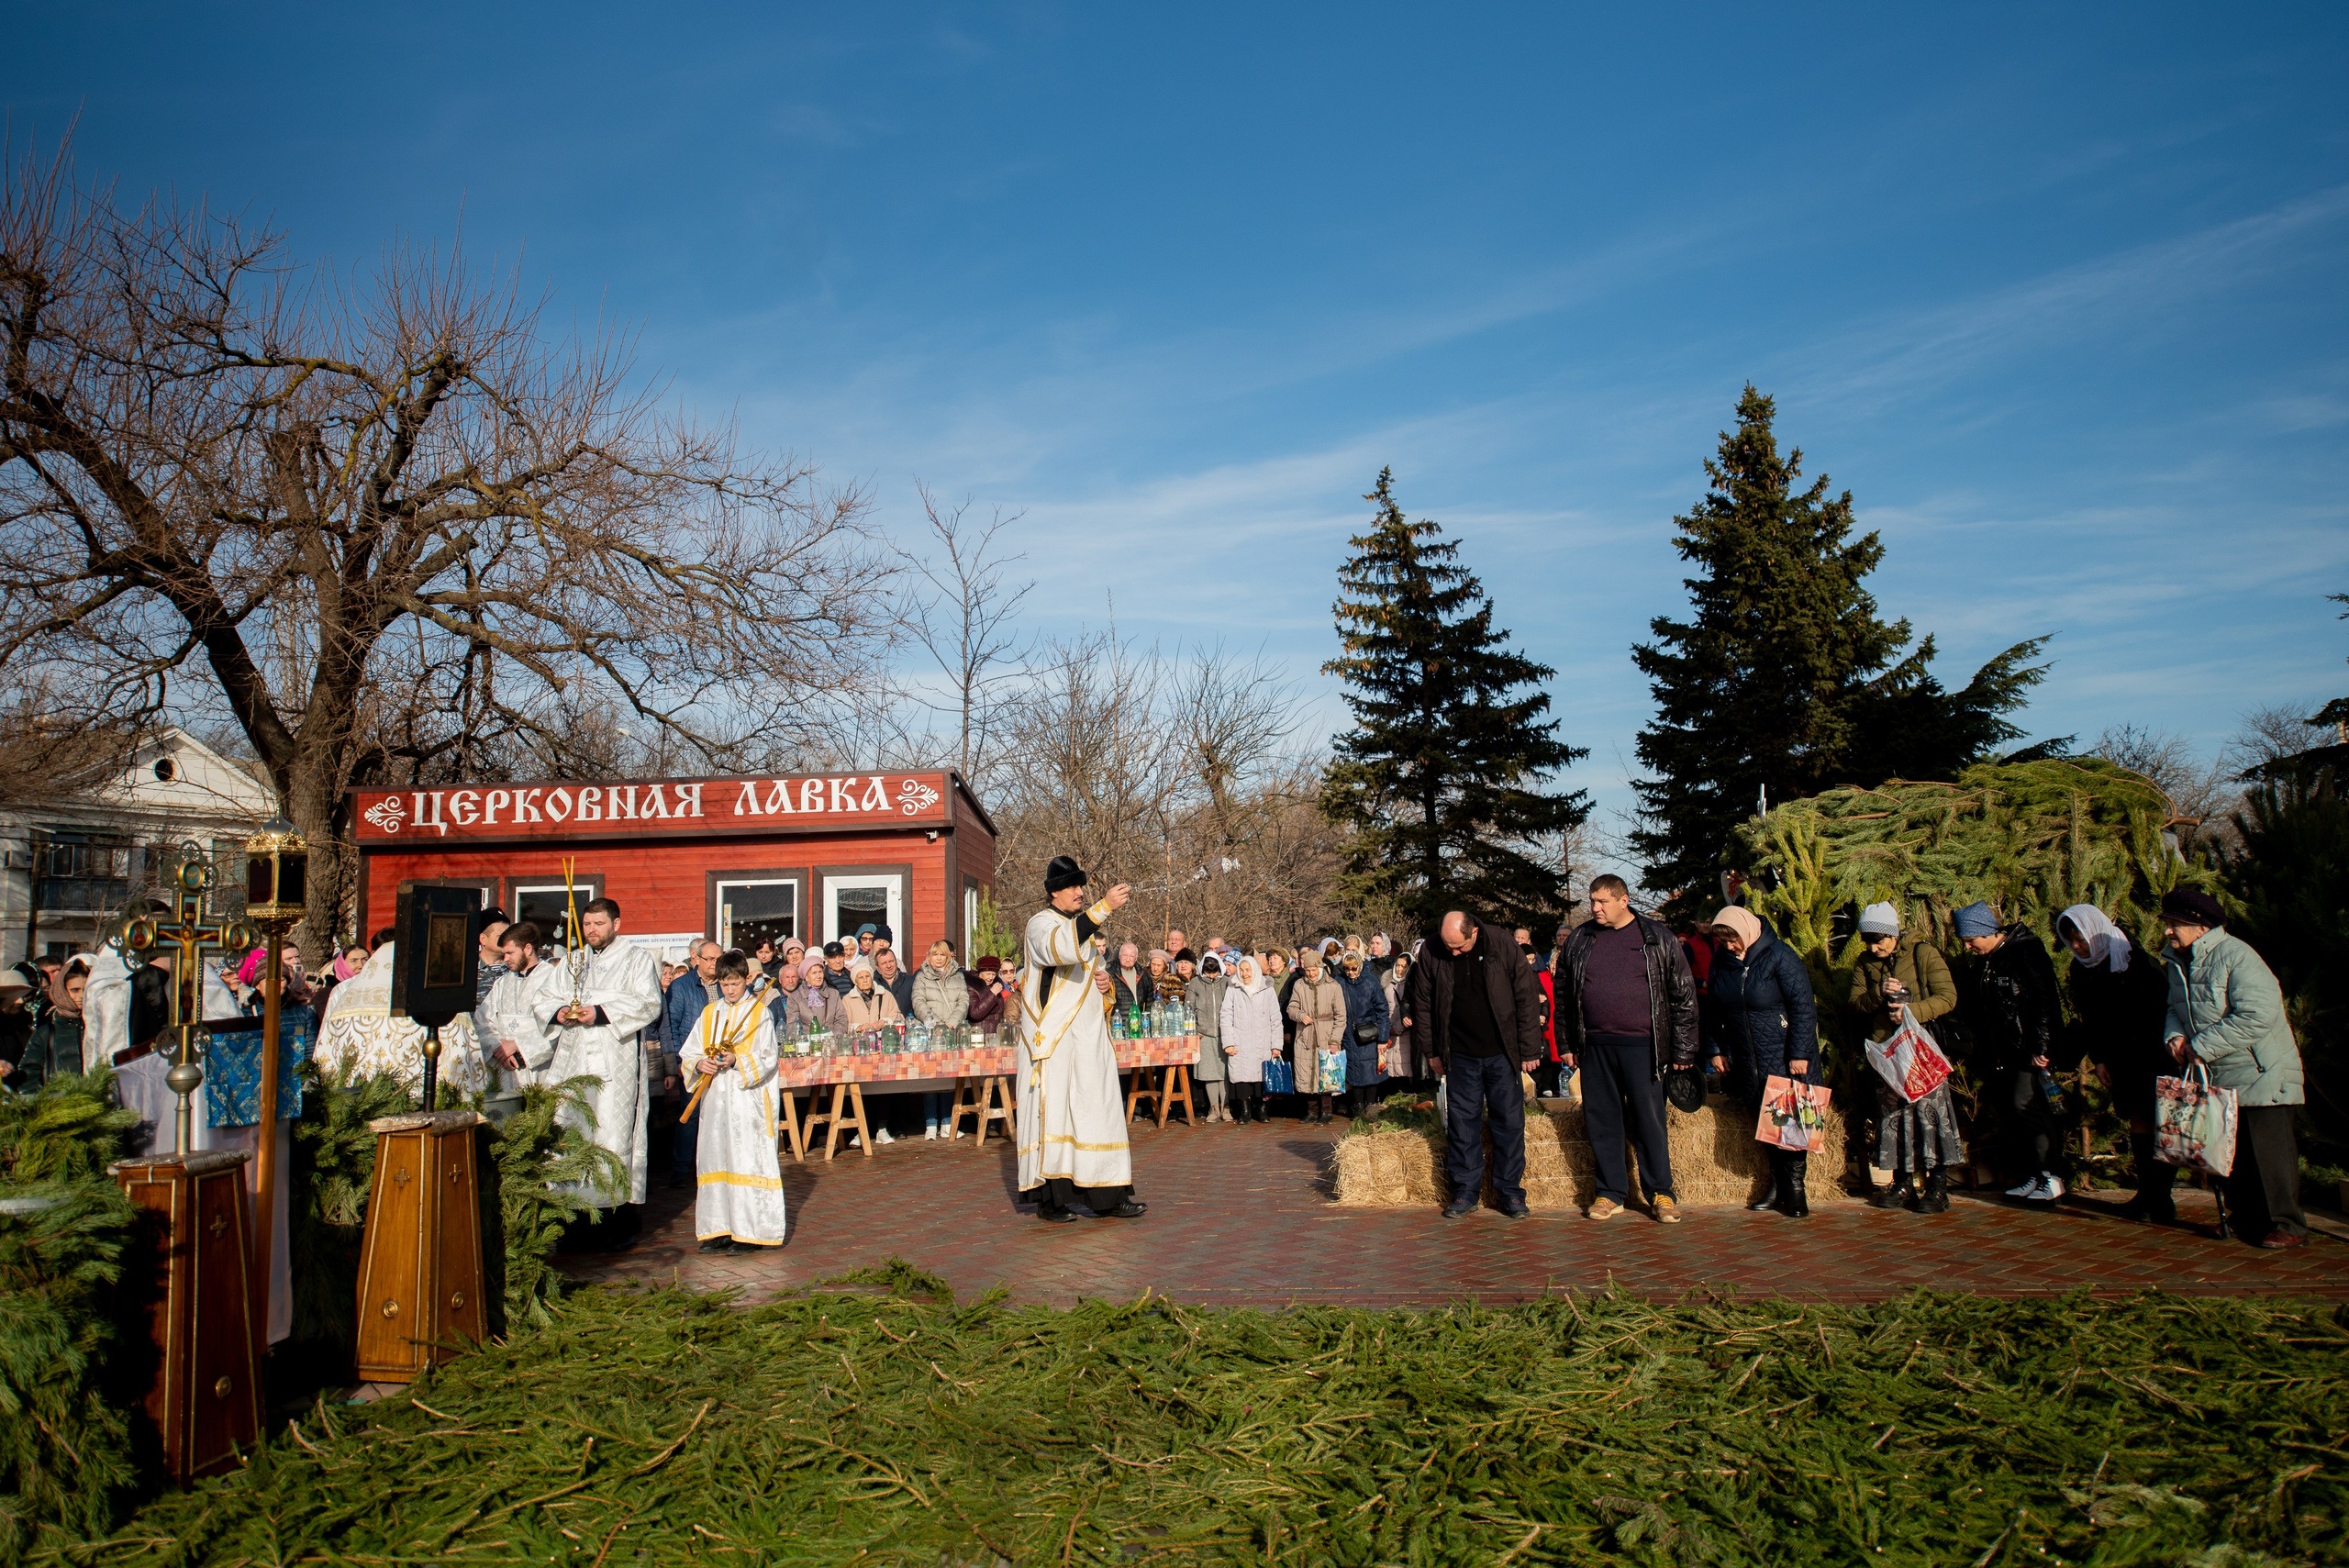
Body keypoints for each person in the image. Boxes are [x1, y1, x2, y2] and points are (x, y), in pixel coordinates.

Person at [2158, 886, 2307, 1249]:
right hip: (2219, 1075)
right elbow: (2174, 1008)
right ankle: (2246, 1220)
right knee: (2230, 1152)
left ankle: (2288, 1226)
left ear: (2200, 926)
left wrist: (2201, 1046)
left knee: (2269, 1156)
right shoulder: (2178, 961)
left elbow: (2258, 1014)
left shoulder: (2238, 956)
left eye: (2174, 923)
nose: (2167, 931)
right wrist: (2174, 1038)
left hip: (2262, 1072)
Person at [1555, 875, 1703, 1223]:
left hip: (1644, 1047)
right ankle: (1610, 1193)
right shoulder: (1580, 939)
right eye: (1592, 901)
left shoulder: (1656, 937)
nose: (1595, 908)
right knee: (1602, 1121)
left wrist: (1683, 1050)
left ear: (1624, 900)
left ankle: (1660, 1193)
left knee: (1649, 1122)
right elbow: (1563, 996)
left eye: (1602, 902)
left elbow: (1683, 996)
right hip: (1595, 1046)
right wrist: (1566, 1043)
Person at [1015, 857, 1146, 1222]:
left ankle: (1109, 1196)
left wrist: (1102, 985)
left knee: (1097, 1114)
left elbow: (1089, 976)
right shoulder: (1040, 924)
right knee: (1056, 1119)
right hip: (1054, 1042)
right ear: (1054, 891)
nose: (1080, 892)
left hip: (1088, 1041)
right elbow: (1061, 949)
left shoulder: (1079, 931)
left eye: (1082, 886)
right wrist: (1103, 907)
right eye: (1073, 887)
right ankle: (1051, 1201)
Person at [532, 897, 664, 1238]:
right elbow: (543, 997)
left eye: (599, 924)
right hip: (573, 1061)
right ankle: (571, 1219)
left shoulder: (636, 959)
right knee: (571, 1129)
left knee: (612, 1133)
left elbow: (648, 1003)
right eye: (587, 925)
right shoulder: (573, 960)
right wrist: (561, 1011)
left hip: (615, 1063)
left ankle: (617, 1223)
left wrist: (601, 1012)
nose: (592, 931)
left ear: (616, 925)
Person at [1411, 911, 1547, 1219]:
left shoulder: (1501, 943)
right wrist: (1432, 1050)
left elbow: (1526, 995)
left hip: (1502, 1052)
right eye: (1448, 946)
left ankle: (1510, 1192)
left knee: (1509, 1123)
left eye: (1458, 947)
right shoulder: (1434, 950)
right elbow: (1423, 1002)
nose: (1453, 952)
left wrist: (1528, 1048)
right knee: (1462, 1124)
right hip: (1459, 1053)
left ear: (1473, 932)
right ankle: (1465, 1191)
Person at [2059, 904, 2173, 1222]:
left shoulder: (2132, 958)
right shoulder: (2081, 968)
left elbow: (2161, 1004)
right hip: (2119, 1055)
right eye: (2072, 942)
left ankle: (2161, 1199)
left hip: (2151, 1053)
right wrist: (2100, 1059)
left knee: (2157, 1120)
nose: (2078, 947)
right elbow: (2090, 1018)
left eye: (2081, 939)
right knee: (2137, 1119)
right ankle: (2147, 1193)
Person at [1846, 902, 1962, 1214]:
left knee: (1930, 1116)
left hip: (1921, 1050)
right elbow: (1855, 1004)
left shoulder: (1923, 954)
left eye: (1879, 939)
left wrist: (1911, 1010)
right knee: (1894, 1117)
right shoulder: (1864, 962)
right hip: (1888, 1051)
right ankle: (1902, 1181)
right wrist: (1878, 995)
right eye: (1868, 940)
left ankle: (1938, 1185)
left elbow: (1948, 996)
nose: (1874, 946)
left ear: (1893, 934)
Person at [1705, 906, 1818, 1218]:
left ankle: (1796, 1188)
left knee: (1791, 1124)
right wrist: (1715, 1048)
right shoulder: (1722, 962)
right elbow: (1713, 1009)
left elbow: (1803, 1007)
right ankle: (1777, 1184)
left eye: (1733, 939)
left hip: (1783, 1054)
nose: (1730, 946)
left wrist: (1799, 1053)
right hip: (1747, 1055)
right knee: (1765, 1124)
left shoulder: (1780, 956)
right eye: (1724, 941)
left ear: (1747, 931)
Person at [1954, 900, 2065, 1203]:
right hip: (2001, 1051)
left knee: (2028, 1107)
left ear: (1986, 931)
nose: (1967, 947)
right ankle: (2031, 1175)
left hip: (2026, 1050)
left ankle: (2050, 1176)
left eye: (1970, 940)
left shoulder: (2025, 951)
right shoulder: (1988, 960)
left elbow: (2044, 1001)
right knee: (2012, 1112)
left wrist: (2041, 1045)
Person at [679, 950, 787, 1255]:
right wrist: (701, 1063)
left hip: (746, 1101)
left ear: (746, 980)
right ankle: (720, 1228)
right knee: (716, 1159)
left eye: (735, 983)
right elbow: (690, 1052)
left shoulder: (759, 1013)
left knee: (745, 1160)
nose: (730, 990)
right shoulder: (710, 1013)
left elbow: (768, 1057)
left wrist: (737, 1059)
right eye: (725, 984)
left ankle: (751, 1232)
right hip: (716, 1102)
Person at [481, 919, 557, 1091]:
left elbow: (558, 1028)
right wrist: (497, 1047)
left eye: (510, 953)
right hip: (502, 1067)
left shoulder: (553, 979)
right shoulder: (502, 983)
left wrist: (518, 1047)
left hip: (538, 1070)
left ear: (527, 949)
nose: (505, 958)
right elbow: (483, 1021)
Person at [912, 940, 971, 1138]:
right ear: (929, 956)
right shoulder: (921, 977)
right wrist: (936, 1023)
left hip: (952, 1031)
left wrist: (952, 1022)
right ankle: (930, 1123)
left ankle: (947, 1121)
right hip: (932, 1033)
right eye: (935, 955)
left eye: (942, 955)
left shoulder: (957, 977)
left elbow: (964, 1001)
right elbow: (918, 1002)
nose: (938, 959)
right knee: (931, 1078)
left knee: (949, 1078)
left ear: (948, 957)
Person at [1286, 945, 1347, 1125]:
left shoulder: (1333, 986)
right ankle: (1312, 1111)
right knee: (1307, 1074)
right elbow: (1291, 1007)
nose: (1310, 974)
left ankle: (1327, 1112)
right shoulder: (1299, 985)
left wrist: (1335, 1039)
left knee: (1326, 1074)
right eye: (1308, 970)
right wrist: (1299, 1015)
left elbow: (1341, 1015)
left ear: (1320, 968)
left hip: (1326, 1035)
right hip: (1305, 1036)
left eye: (1313, 970)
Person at [1219, 954, 1281, 1125]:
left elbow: (1275, 1018)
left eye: (1248, 970)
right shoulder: (1234, 988)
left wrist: (1276, 1045)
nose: (1245, 974)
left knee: (1262, 1078)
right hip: (1240, 1041)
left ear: (1254, 970)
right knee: (1242, 1078)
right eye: (1241, 970)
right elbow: (1226, 1016)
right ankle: (1245, 1112)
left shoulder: (1266, 989)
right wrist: (1229, 1042)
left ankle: (1262, 1110)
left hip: (1263, 1041)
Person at [1333, 948, 1390, 1120]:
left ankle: (1371, 1107)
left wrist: (1383, 1038)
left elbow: (1382, 1010)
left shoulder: (1371, 982)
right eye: (1347, 969)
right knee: (1354, 1072)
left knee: (1370, 1071)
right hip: (1348, 1033)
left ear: (1360, 966)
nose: (1350, 972)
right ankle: (1357, 1107)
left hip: (1368, 1033)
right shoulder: (1339, 982)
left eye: (1353, 968)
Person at [17, 955, 89, 1092]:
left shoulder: (97, 1027)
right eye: (74, 990)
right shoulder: (46, 1032)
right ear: (62, 991)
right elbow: (28, 1073)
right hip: (58, 1107)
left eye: (86, 990)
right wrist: (43, 1103)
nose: (81, 996)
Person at [1186, 953, 1230, 1121]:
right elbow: (1188, 1008)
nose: (1211, 976)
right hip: (1204, 1034)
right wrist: (1195, 1029)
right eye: (1208, 972)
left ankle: (1226, 1106)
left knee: (1225, 1073)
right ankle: (1213, 1107)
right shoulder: (1196, 983)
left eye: (1214, 972)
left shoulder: (1227, 982)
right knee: (1209, 1073)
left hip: (1224, 1033)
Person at [1381, 952, 1414, 1082]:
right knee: (1391, 1073)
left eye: (1404, 967)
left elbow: (1411, 1009)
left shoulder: (1411, 984)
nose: (1399, 969)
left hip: (1406, 1034)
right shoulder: (1387, 983)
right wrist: (1387, 1027)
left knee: (1404, 1072)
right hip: (1389, 1033)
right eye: (1398, 966)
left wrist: (1398, 1027)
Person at [965, 954, 1008, 1035]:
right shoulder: (972, 987)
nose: (991, 978)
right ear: (980, 972)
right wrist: (992, 994)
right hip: (981, 1032)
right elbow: (975, 1013)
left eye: (993, 974)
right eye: (988, 974)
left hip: (997, 1032)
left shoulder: (995, 986)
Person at [1110, 941, 1153, 1016]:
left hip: (1138, 1023)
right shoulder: (1110, 975)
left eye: (1131, 956)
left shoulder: (1144, 975)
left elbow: (1149, 1002)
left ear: (1136, 958)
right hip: (1118, 1023)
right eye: (1125, 955)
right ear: (1119, 956)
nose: (1128, 959)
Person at [875, 946, 917, 1018]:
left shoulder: (910, 981)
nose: (888, 966)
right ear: (877, 967)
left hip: (906, 1026)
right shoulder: (874, 984)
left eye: (891, 961)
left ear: (896, 962)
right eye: (884, 963)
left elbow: (916, 1006)